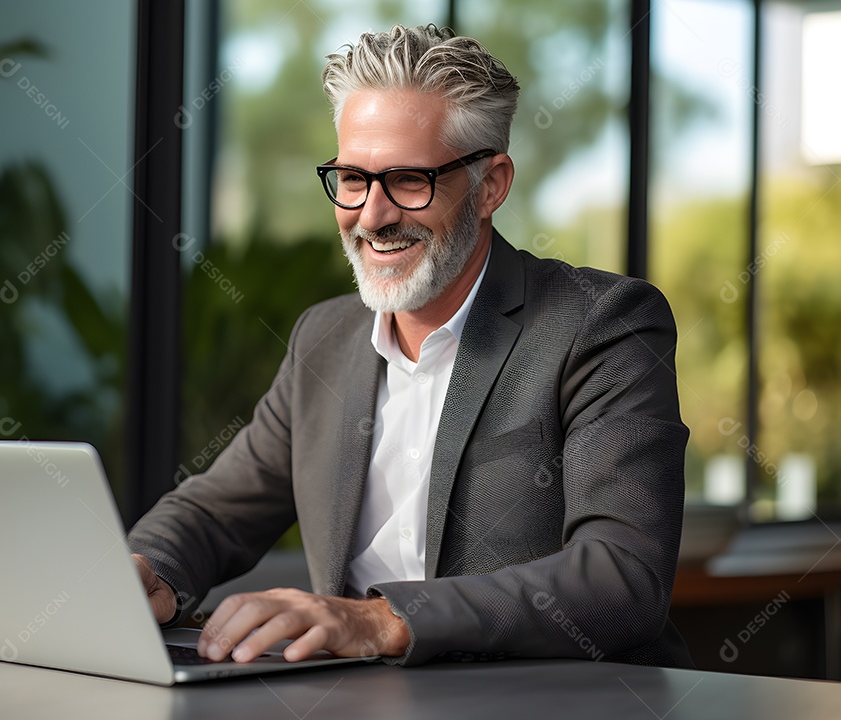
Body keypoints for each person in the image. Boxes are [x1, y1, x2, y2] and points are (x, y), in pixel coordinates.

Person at [128, 23, 692, 668]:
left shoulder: (602, 325)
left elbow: (622, 579)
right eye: (352, 179)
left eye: (408, 181)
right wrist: (147, 570)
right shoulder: (326, 337)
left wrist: (381, 621)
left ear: (490, 186)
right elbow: (215, 511)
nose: (371, 215)